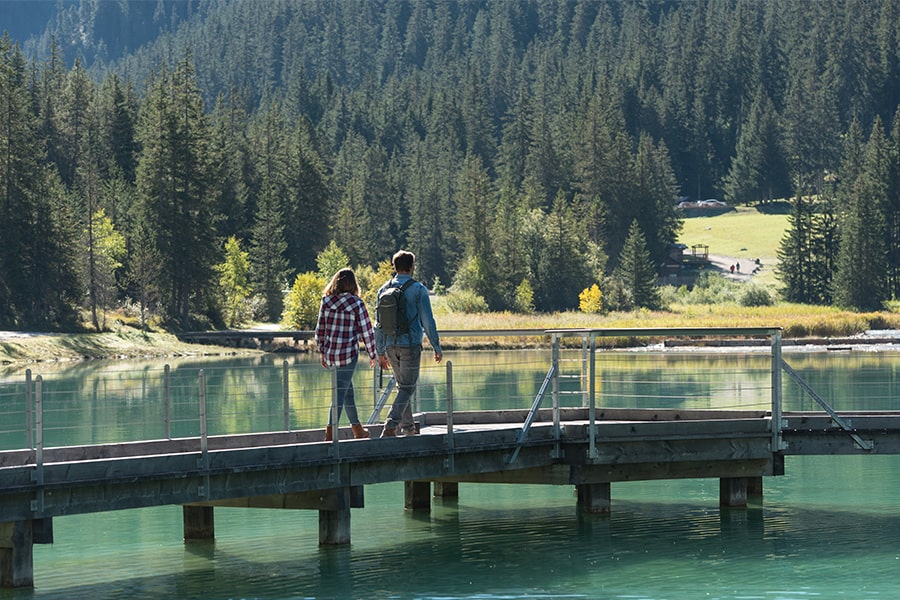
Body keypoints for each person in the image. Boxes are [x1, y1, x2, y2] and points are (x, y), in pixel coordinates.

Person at [375, 250, 443, 437]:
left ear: (394, 267)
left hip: (390, 345)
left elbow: (378, 324)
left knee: (402, 386)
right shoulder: (418, 289)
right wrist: (436, 346)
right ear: (412, 267)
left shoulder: (383, 289)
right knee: (407, 387)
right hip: (410, 344)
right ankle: (390, 426)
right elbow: (427, 321)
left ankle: (408, 429)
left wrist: (379, 351)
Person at [314, 268, 377, 441]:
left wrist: (322, 352)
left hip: (331, 354)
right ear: (353, 284)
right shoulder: (356, 303)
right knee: (340, 393)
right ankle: (330, 433)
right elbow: (367, 331)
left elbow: (320, 330)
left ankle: (357, 430)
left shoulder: (326, 301)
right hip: (348, 354)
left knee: (347, 391)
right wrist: (373, 353)